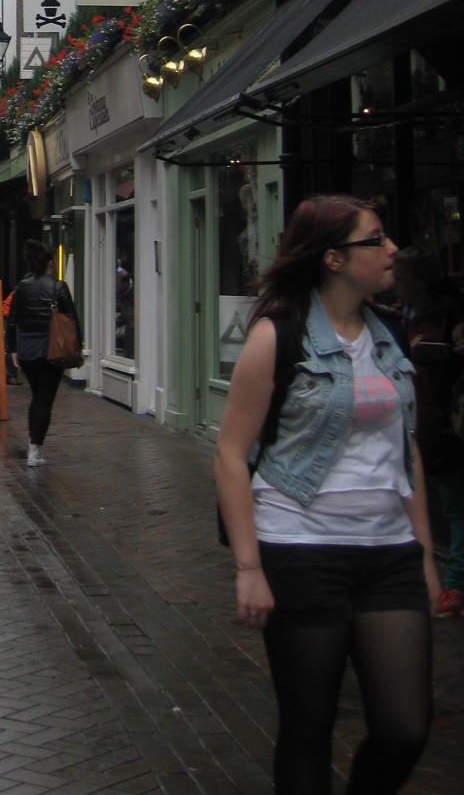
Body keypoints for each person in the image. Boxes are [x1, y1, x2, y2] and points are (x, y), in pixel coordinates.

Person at [214, 195, 438, 795]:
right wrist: (249, 567)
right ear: (333, 259)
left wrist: (423, 554)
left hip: (388, 551)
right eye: (376, 239)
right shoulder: (277, 336)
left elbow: (407, 450)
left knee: (405, 729)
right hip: (301, 548)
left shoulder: (390, 334)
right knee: (308, 727)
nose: (392, 250)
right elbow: (231, 454)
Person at [393, 243, 464, 617]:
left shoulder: (447, 317)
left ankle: (456, 583)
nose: (395, 284)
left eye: (401, 277)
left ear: (419, 281)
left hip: (444, 426)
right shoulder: (401, 318)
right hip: (415, 425)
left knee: (455, 504)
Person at [9, 239, 77, 466]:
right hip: (51, 350)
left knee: (37, 397)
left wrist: (13, 350)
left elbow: (12, 320)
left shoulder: (21, 287)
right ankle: (35, 450)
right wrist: (77, 348)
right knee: (45, 400)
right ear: (50, 263)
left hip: (27, 351)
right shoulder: (59, 287)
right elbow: (72, 320)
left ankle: (33, 445)